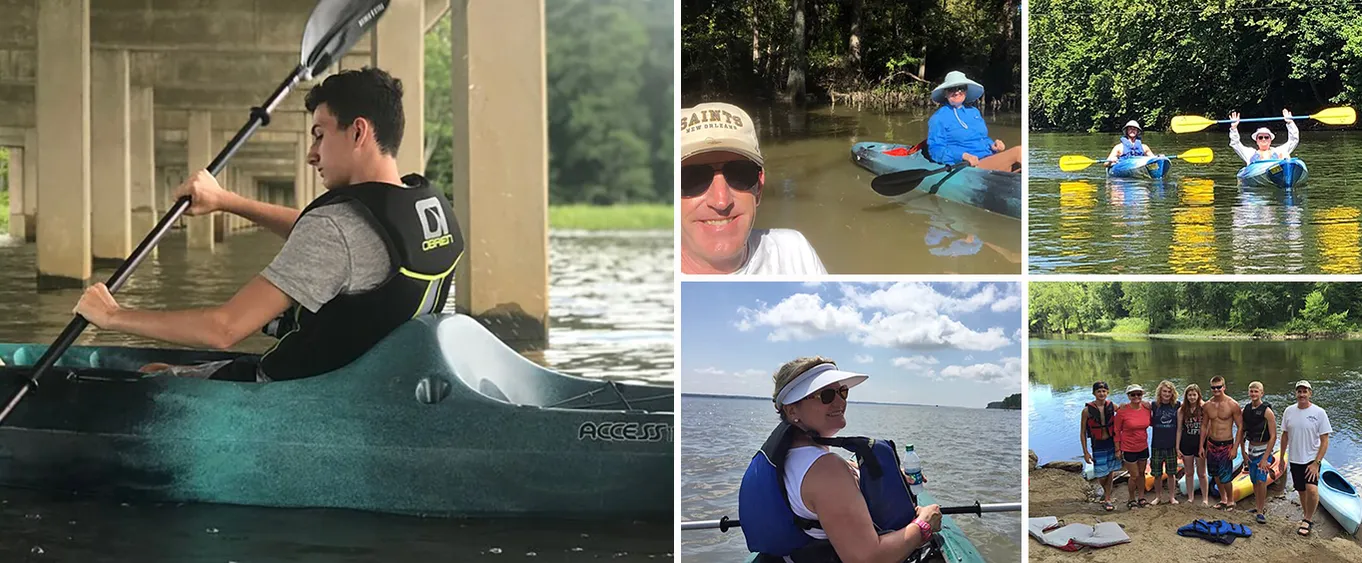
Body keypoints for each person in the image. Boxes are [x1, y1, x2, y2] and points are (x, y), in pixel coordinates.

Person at [72, 68, 463, 382]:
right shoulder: (426, 210)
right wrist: (227, 202)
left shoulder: (337, 228)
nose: (312, 154)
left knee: (152, 376)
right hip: (380, 384)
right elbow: (332, 242)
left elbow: (223, 330)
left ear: (358, 131)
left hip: (300, 398)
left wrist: (112, 316)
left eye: (320, 134)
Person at [738, 357, 944, 562]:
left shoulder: (796, 455)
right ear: (792, 410)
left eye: (842, 391)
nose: (840, 401)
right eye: (826, 395)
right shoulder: (825, 470)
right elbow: (867, 559)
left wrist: (892, 479)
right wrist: (924, 525)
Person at [679, 102, 827, 275]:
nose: (721, 201)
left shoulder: (796, 253)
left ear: (759, 188)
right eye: (692, 178)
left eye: (740, 174)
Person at [925, 71, 1022, 172]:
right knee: (1020, 152)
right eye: (952, 89)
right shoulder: (938, 118)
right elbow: (935, 149)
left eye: (961, 88)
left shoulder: (974, 112)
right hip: (966, 166)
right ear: (945, 93)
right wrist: (963, 156)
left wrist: (993, 146)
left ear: (966, 91)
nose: (957, 92)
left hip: (987, 158)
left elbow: (983, 138)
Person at [1279, 380, 1332, 537]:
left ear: (1310, 393)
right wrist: (1281, 457)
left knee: (1312, 490)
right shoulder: (1288, 411)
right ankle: (1306, 515)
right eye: (1299, 391)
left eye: (1305, 391)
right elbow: (1285, 435)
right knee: (1301, 490)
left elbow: (1325, 440)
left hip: (1311, 459)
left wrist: (1317, 463)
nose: (1302, 394)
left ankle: (1308, 519)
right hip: (1295, 458)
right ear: (1296, 393)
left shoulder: (1319, 413)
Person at [1237, 381, 1277, 524]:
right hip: (1251, 450)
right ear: (1249, 392)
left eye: (1256, 391)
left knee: (1261, 480)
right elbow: (1241, 432)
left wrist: (1266, 458)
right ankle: (1257, 506)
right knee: (1254, 480)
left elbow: (1273, 436)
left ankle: (1260, 510)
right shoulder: (1245, 410)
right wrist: (1243, 452)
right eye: (1251, 391)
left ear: (1262, 393)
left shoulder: (1267, 412)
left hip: (1263, 451)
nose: (1253, 394)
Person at [1202, 375, 1242, 510]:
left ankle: (1231, 500)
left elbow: (1241, 427)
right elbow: (1204, 426)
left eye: (1219, 387)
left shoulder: (1232, 404)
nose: (1216, 390)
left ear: (1224, 387)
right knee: (1215, 474)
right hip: (1212, 444)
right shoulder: (1207, 405)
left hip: (1226, 444)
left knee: (1226, 476)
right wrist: (1201, 446)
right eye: (1213, 388)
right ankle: (1223, 499)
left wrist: (1235, 448)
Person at [1080, 381, 1119, 511]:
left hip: (1111, 443)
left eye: (1104, 391)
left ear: (1107, 392)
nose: (1101, 394)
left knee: (1111, 470)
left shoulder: (1112, 406)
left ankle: (1107, 498)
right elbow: (1083, 433)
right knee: (1102, 475)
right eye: (1099, 391)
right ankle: (1106, 492)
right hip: (1098, 445)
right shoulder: (1086, 411)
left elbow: (1126, 413)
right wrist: (1085, 452)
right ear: (1094, 393)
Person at [1113, 384, 1151, 509]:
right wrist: (1117, 449)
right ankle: (1131, 499)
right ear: (1128, 396)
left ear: (1142, 395)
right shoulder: (1122, 411)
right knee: (1133, 475)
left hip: (1143, 446)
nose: (1136, 397)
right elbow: (1117, 431)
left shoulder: (1146, 408)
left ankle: (1141, 497)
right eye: (1133, 394)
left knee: (1141, 473)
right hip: (1128, 448)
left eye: (1138, 394)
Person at [1177, 384, 1210, 506]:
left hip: (1200, 443)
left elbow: (1207, 428)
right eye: (1189, 395)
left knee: (1201, 473)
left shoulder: (1203, 408)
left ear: (1198, 395)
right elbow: (1179, 429)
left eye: (1194, 395)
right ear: (1186, 396)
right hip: (1186, 443)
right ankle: (1190, 497)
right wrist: (1177, 447)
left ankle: (1205, 498)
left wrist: (1204, 445)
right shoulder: (1182, 410)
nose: (1192, 397)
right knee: (1189, 472)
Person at [1149, 380, 1181, 505]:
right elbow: (1139, 405)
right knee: (1157, 474)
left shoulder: (1177, 405)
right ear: (1160, 392)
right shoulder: (1154, 405)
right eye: (1164, 391)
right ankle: (1158, 496)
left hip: (1171, 445)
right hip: (1157, 444)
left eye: (1169, 392)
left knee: (1171, 473)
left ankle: (1172, 497)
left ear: (1172, 393)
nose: (1167, 394)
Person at [1229, 109, 1299, 164]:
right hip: (1258, 172)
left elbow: (1294, 139)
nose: (1263, 139)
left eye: (1266, 137)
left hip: (1278, 171)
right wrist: (1234, 128)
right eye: (1260, 137)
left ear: (1270, 140)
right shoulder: (1249, 153)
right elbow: (1235, 143)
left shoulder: (1279, 150)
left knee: (1286, 157)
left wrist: (1290, 123)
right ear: (1256, 141)